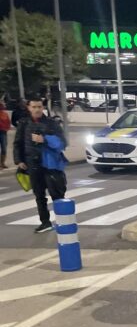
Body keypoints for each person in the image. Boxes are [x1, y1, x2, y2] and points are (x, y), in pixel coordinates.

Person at [13, 95, 68, 233]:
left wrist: (45, 139)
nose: (37, 109)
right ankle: (45, 222)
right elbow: (18, 143)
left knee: (57, 194)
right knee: (39, 195)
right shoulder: (24, 124)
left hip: (51, 165)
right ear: (29, 108)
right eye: (34, 107)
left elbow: (62, 143)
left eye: (39, 107)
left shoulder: (51, 123)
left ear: (43, 107)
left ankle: (63, 221)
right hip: (32, 164)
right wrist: (19, 160)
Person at [0, 101, 10, 169]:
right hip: (3, 132)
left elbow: (8, 122)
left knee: (4, 149)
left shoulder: (5, 114)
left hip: (3, 133)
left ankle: (2, 163)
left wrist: (6, 129)